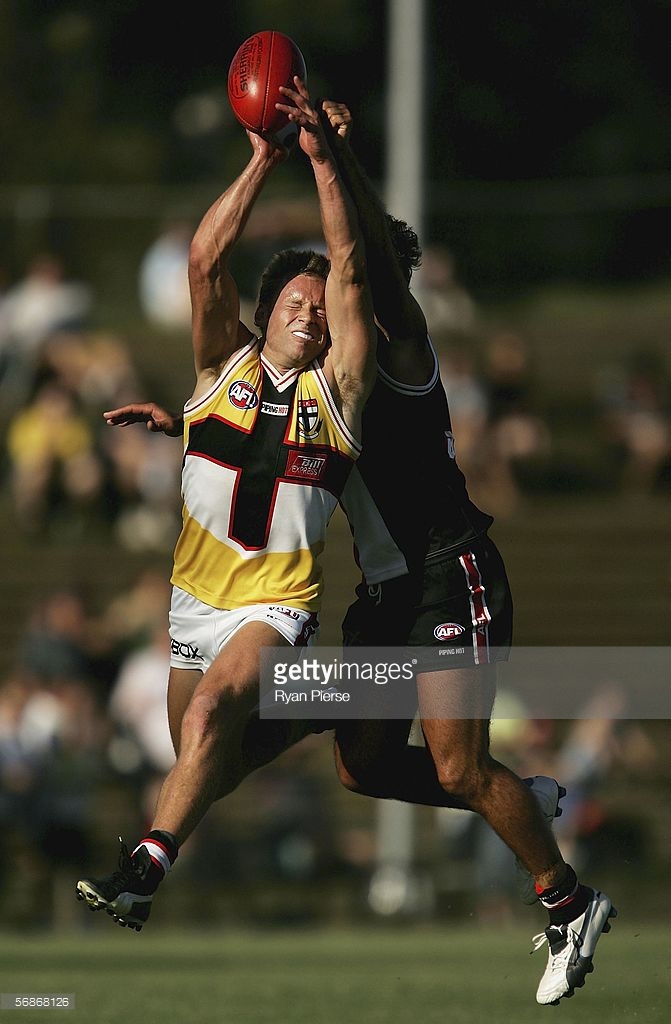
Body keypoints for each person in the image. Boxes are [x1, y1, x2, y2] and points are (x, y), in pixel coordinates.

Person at [99, 100, 616, 1006]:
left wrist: (328, 157)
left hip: (448, 572)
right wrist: (187, 424)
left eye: (345, 291)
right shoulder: (309, 373)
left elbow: (351, 263)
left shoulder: (396, 346)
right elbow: (251, 422)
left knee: (455, 764)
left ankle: (566, 900)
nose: (329, 304)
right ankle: (511, 792)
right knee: (365, 765)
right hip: (385, 592)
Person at [75, 75, 377, 932]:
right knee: (206, 759)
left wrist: (323, 162)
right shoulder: (219, 371)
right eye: (297, 301)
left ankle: (141, 872)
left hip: (273, 605)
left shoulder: (342, 392)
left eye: (322, 310)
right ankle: (333, 699)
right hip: (191, 603)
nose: (312, 316)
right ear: (269, 304)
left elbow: (351, 266)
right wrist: (262, 160)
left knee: (210, 716)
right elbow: (203, 263)